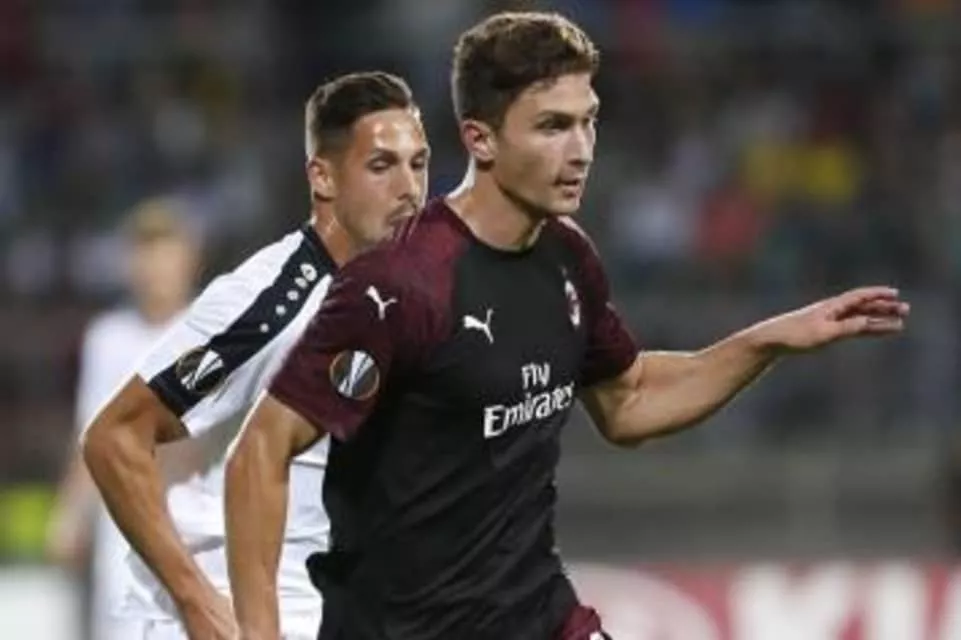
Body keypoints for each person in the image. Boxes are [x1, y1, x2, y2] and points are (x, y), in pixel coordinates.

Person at [224, 12, 909, 640]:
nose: (580, 149)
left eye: (588, 122)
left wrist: (768, 340)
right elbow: (259, 453)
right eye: (552, 126)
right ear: (480, 139)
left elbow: (629, 400)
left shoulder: (566, 256)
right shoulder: (399, 285)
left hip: (540, 619)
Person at [81, 71, 428, 640]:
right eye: (381, 166)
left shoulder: (398, 301)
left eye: (418, 164)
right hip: (246, 618)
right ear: (323, 177)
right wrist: (196, 601)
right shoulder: (272, 299)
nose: (409, 188)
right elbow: (113, 438)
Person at [46, 200, 200, 640]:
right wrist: (71, 513)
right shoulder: (108, 338)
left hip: (200, 519)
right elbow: (90, 437)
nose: (156, 271)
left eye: (166, 256)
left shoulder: (217, 329)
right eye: (146, 257)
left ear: (189, 261)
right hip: (125, 527)